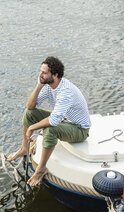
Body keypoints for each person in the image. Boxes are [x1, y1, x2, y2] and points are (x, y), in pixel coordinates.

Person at [7, 56, 91, 186]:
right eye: (41, 71)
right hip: (64, 120)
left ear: (55, 75)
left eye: (44, 73)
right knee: (29, 114)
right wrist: (38, 86)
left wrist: (31, 128)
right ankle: (24, 148)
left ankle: (41, 169)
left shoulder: (65, 91)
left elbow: (54, 120)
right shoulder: (48, 85)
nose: (40, 75)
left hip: (79, 129)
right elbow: (30, 106)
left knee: (50, 128)